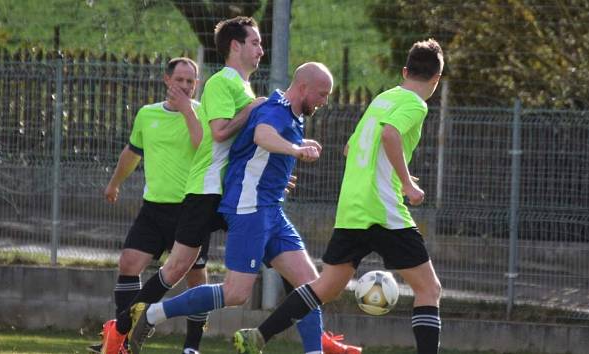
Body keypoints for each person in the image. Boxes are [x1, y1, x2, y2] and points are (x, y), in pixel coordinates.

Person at [232, 38, 445, 354]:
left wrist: (394, 173)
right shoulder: (416, 104)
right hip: (382, 210)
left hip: (352, 208)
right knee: (430, 289)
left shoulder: (383, 99)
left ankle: (258, 336)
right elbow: (390, 134)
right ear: (437, 79)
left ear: (404, 71)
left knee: (325, 288)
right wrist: (406, 183)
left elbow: (352, 148)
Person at [126, 62, 344, 354]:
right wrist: (296, 150)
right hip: (249, 208)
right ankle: (152, 314)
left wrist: (300, 142)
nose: (324, 101)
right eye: (322, 94)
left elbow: (258, 145)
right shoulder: (275, 110)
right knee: (236, 293)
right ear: (303, 88)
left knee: (310, 287)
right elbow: (261, 135)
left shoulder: (291, 114)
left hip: (271, 211)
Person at [91, 57, 209, 354]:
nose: (184, 86)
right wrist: (115, 182)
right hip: (154, 208)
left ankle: (191, 346)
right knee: (128, 264)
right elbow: (133, 152)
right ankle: (123, 339)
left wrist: (186, 112)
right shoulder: (147, 114)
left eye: (190, 81)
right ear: (166, 80)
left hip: (191, 209)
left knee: (196, 279)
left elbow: (202, 144)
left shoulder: (202, 114)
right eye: (179, 80)